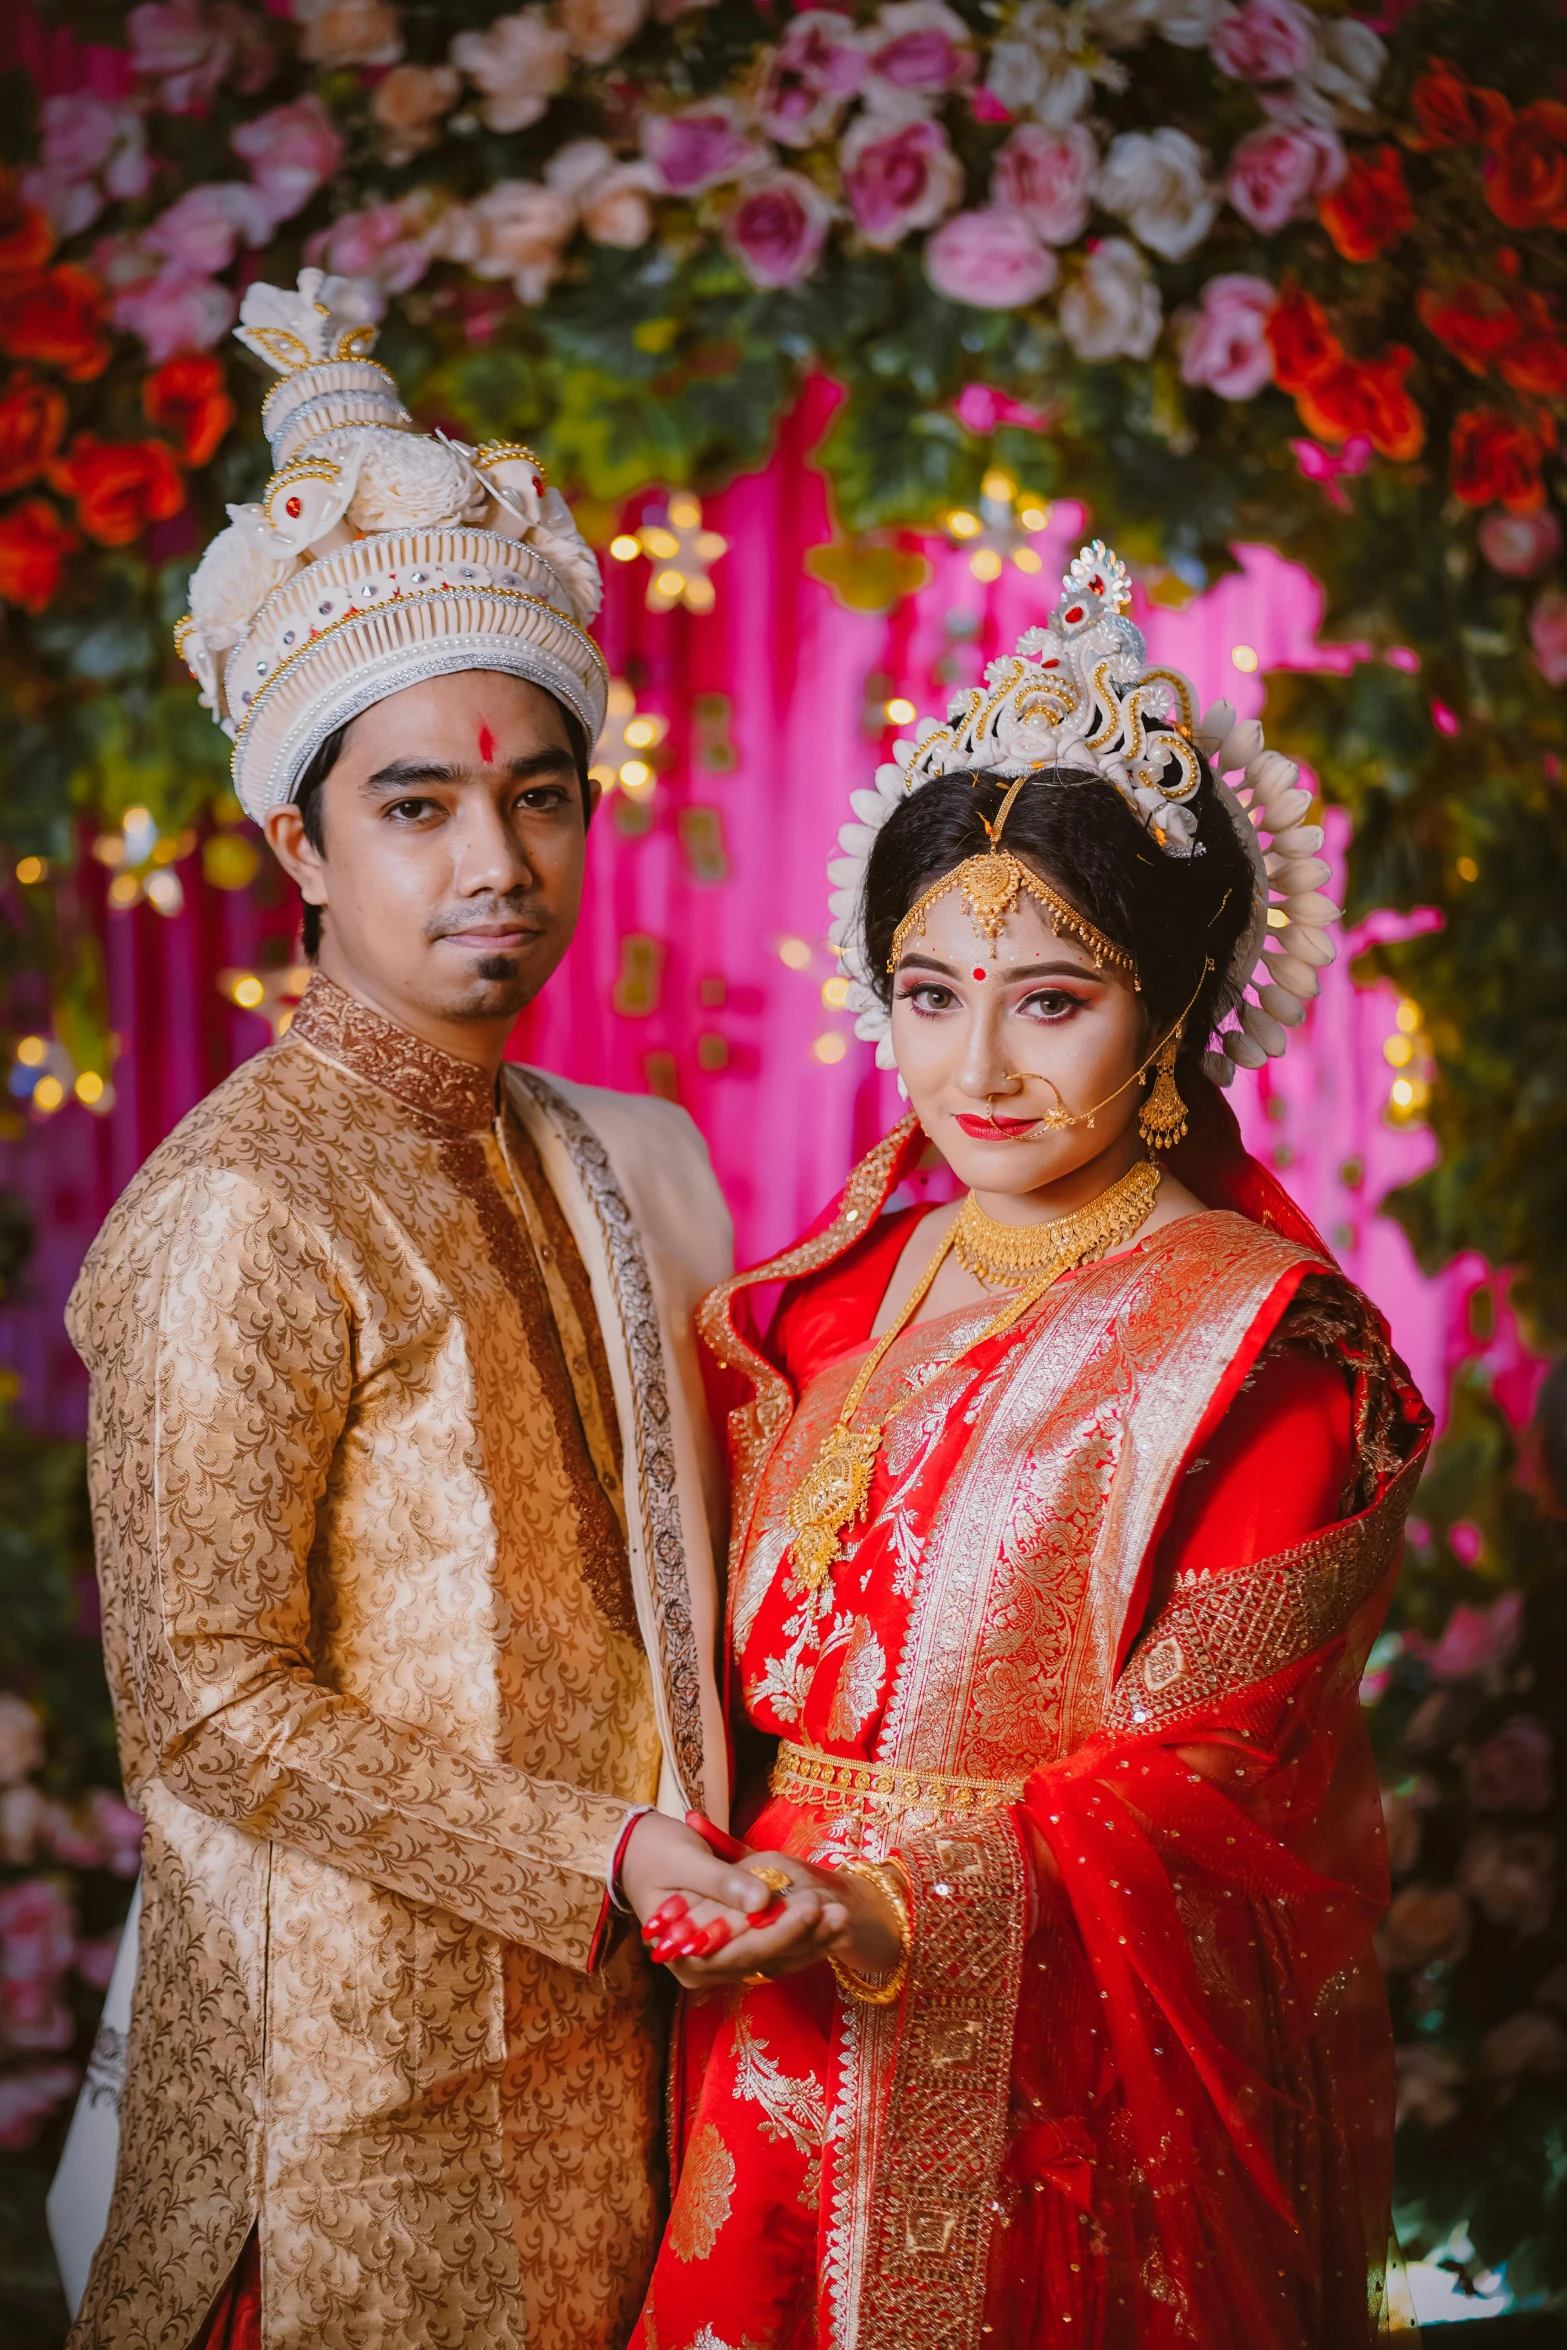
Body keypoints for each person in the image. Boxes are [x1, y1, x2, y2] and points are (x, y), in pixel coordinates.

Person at [626, 544, 1431, 2349]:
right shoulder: (828, 1293)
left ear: (1164, 1013)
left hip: (1035, 2097)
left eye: (1048, 999)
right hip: (751, 2019)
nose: (974, 1065)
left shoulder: (1259, 1351)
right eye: (927, 992)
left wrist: (870, 1897)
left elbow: (1208, 1807)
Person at [55, 270, 750, 2350]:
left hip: (622, 2034)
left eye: (540, 793)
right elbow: (204, 1699)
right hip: (353, 2101)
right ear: (298, 835)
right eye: (418, 804)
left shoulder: (608, 1151)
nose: (496, 861)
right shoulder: (239, 1214)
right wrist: (601, 1851)